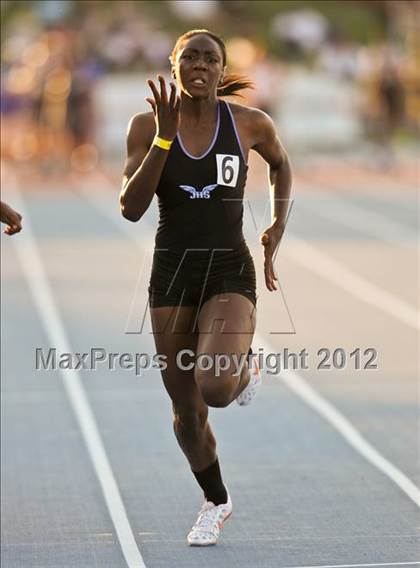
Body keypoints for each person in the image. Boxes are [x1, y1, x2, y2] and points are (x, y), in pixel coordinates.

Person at [120, 29, 291, 546]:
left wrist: (277, 225)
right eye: (188, 57)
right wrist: (163, 139)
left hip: (228, 270)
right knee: (187, 413)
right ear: (173, 67)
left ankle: (244, 368)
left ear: (221, 69)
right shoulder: (146, 126)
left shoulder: (249, 123)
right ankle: (215, 502)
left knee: (215, 388)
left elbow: (280, 165)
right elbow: (130, 208)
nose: (199, 65)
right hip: (171, 273)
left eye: (209, 58)